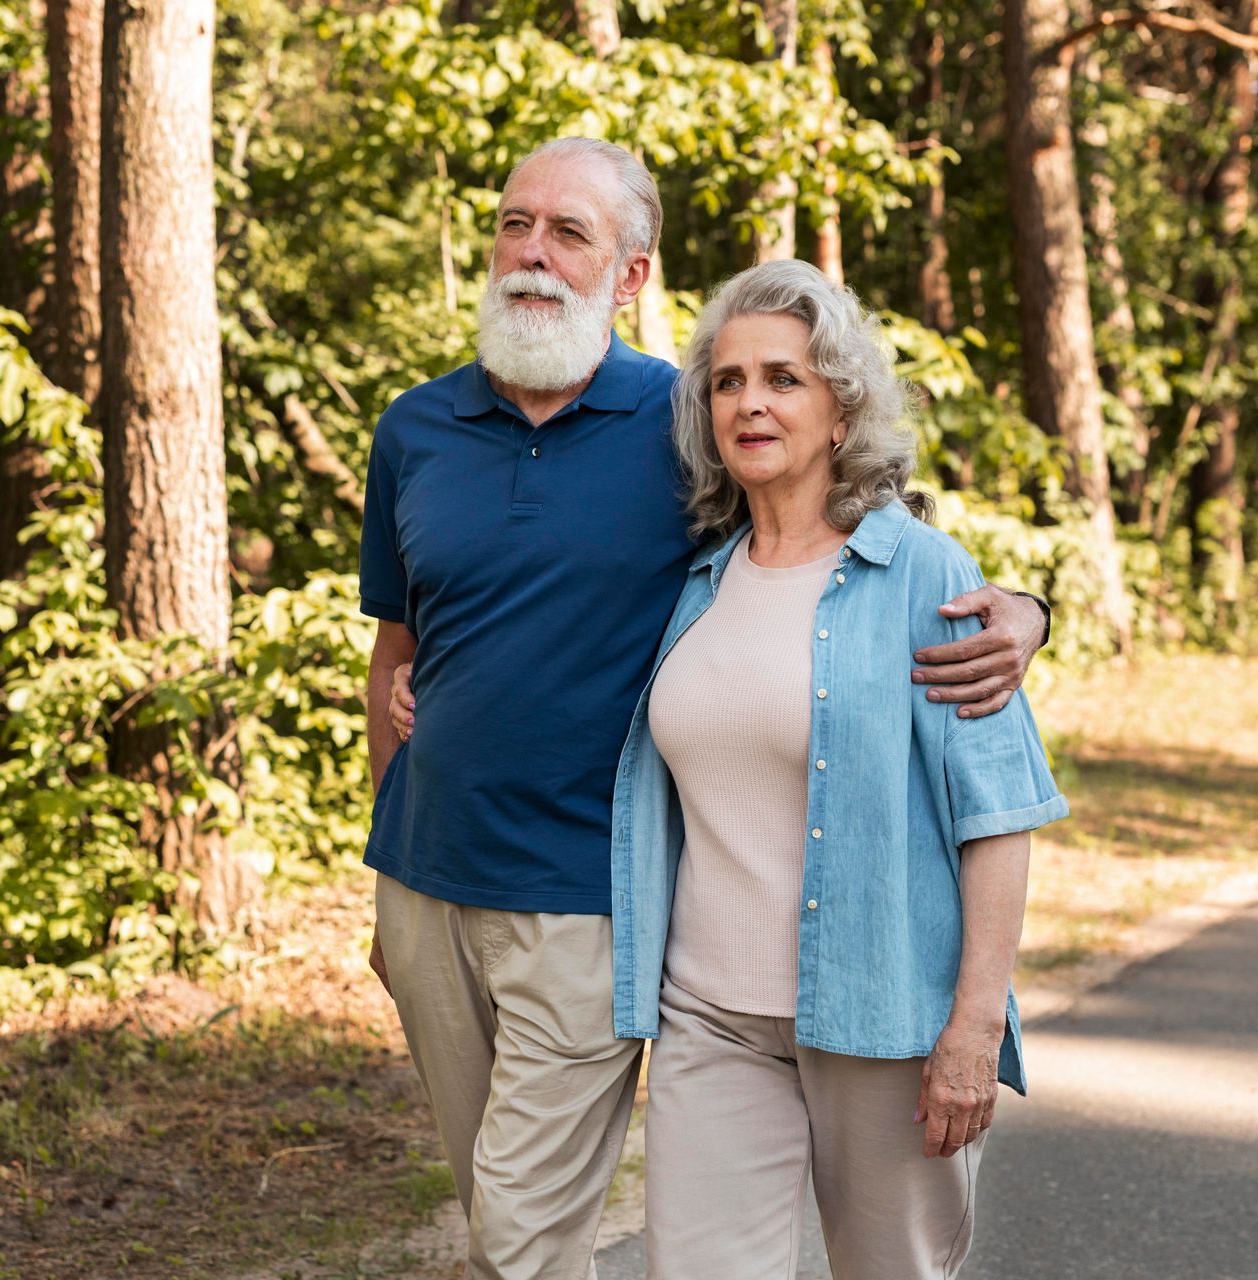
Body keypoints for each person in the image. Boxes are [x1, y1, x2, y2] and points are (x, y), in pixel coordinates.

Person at [359, 138, 1050, 1280]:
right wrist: (391, 818)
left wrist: (1027, 609)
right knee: (560, 1229)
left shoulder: (751, 468)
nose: (531, 252)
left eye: (570, 231)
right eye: (514, 222)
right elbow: (412, 644)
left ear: (630, 272)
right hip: (570, 952)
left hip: (699, 940)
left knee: (534, 1240)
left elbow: (881, 566)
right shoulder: (442, 443)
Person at [606, 259, 1068, 1279]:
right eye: (727, 381)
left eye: (783, 377)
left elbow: (996, 816)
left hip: (883, 1017)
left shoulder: (926, 577)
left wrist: (971, 1028)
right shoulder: (694, 579)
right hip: (708, 1017)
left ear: (841, 409)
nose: (750, 401)